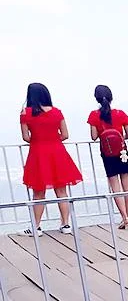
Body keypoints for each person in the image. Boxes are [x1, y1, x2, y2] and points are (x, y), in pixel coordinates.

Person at [19, 83, 83, 236]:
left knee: (38, 192)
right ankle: (66, 225)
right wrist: (53, 139)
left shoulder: (25, 113)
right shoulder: (56, 112)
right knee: (61, 191)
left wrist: (40, 140)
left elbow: (25, 137)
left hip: (38, 154)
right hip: (58, 152)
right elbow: (65, 134)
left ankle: (36, 227)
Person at [87, 85, 128, 228]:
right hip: (122, 151)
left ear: (96, 98)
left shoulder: (94, 115)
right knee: (126, 183)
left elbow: (94, 136)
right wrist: (120, 139)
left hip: (107, 153)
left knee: (115, 186)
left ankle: (123, 216)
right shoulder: (120, 114)